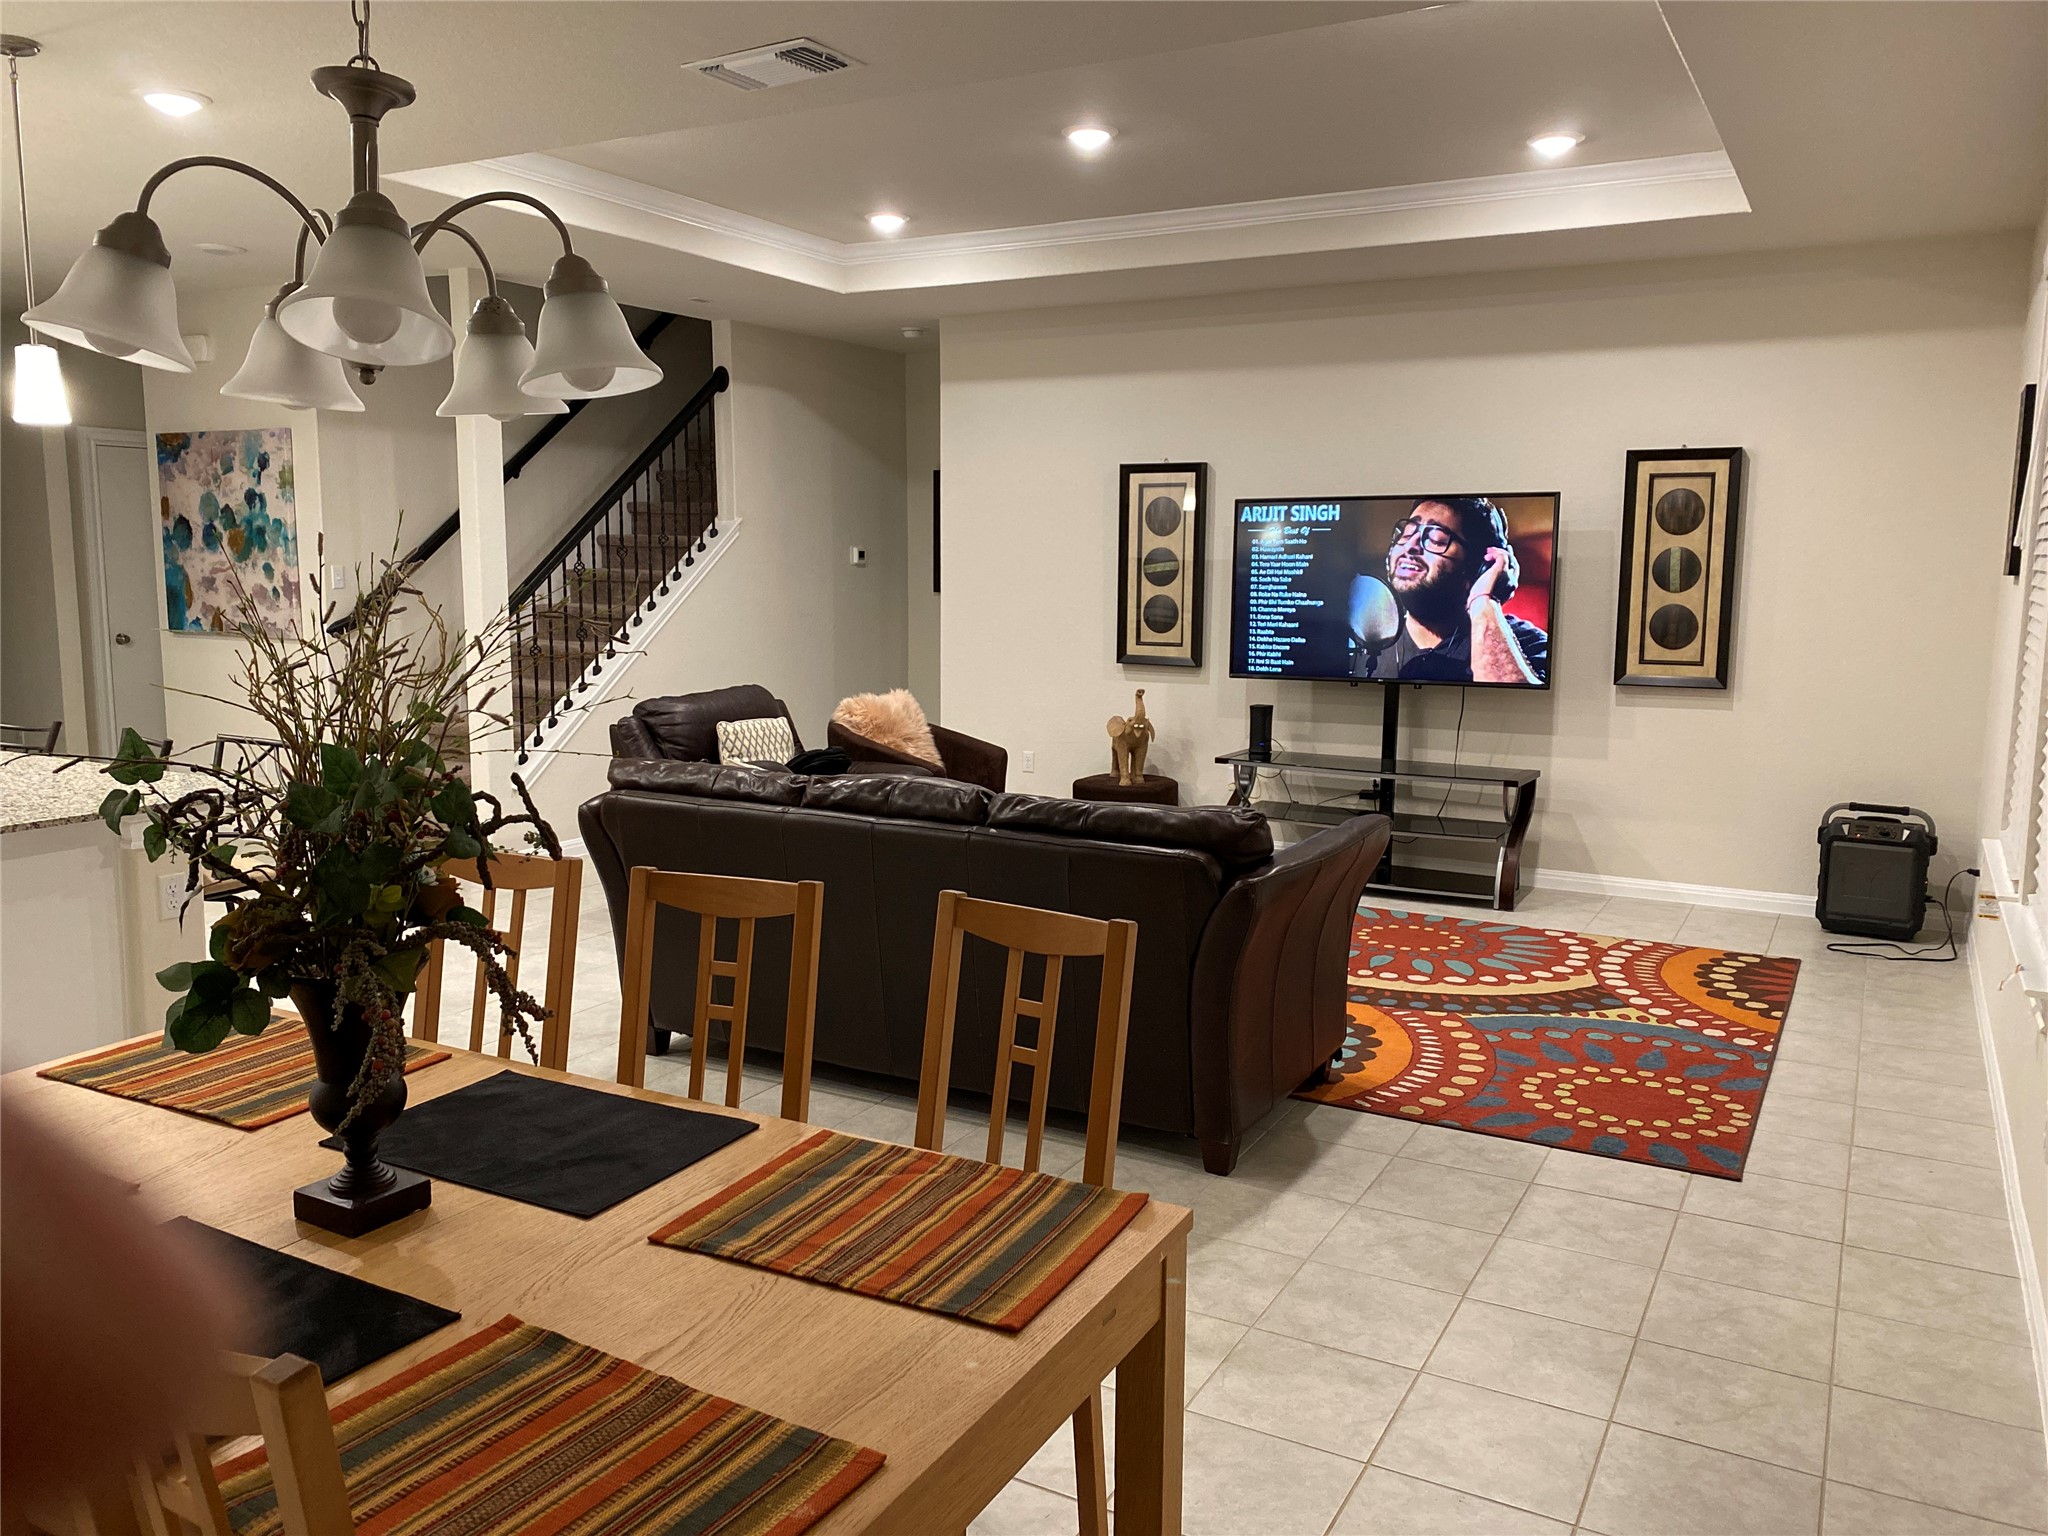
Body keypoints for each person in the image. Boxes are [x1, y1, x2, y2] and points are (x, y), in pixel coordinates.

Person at [1353, 496, 1549, 685]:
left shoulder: (1528, 644)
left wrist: (1484, 600)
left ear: (1477, 567)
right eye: (1407, 534)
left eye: (1436, 539)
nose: (1410, 546)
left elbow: (1510, 703)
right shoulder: (1360, 636)